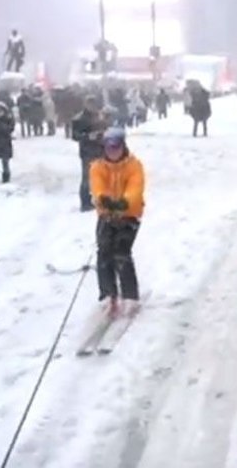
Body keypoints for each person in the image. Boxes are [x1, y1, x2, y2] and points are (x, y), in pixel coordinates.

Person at [89, 127, 145, 317]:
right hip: (106, 214)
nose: (113, 151)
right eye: (109, 147)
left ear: (123, 146)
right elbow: (97, 187)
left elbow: (136, 188)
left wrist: (125, 202)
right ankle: (107, 293)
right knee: (104, 251)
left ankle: (130, 295)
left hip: (129, 214)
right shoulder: (97, 167)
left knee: (121, 251)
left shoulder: (134, 165)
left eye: (116, 147)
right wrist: (103, 199)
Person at [72, 96, 105, 211]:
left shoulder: (99, 116)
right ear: (85, 105)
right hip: (87, 152)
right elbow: (75, 135)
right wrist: (87, 136)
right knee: (86, 178)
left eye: (94, 104)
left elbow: (105, 127)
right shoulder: (79, 119)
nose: (92, 106)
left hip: (100, 150)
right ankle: (85, 202)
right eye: (90, 104)